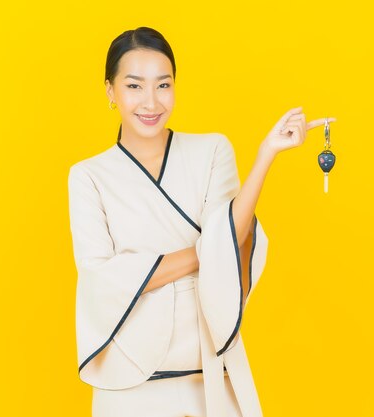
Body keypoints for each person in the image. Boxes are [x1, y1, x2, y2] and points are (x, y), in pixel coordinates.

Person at [67, 26, 336, 417]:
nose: (151, 101)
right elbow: (102, 280)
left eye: (163, 85)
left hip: (211, 371)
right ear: (110, 91)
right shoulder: (88, 176)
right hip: (128, 381)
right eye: (134, 86)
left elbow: (232, 244)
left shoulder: (211, 150)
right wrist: (209, 250)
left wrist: (265, 156)